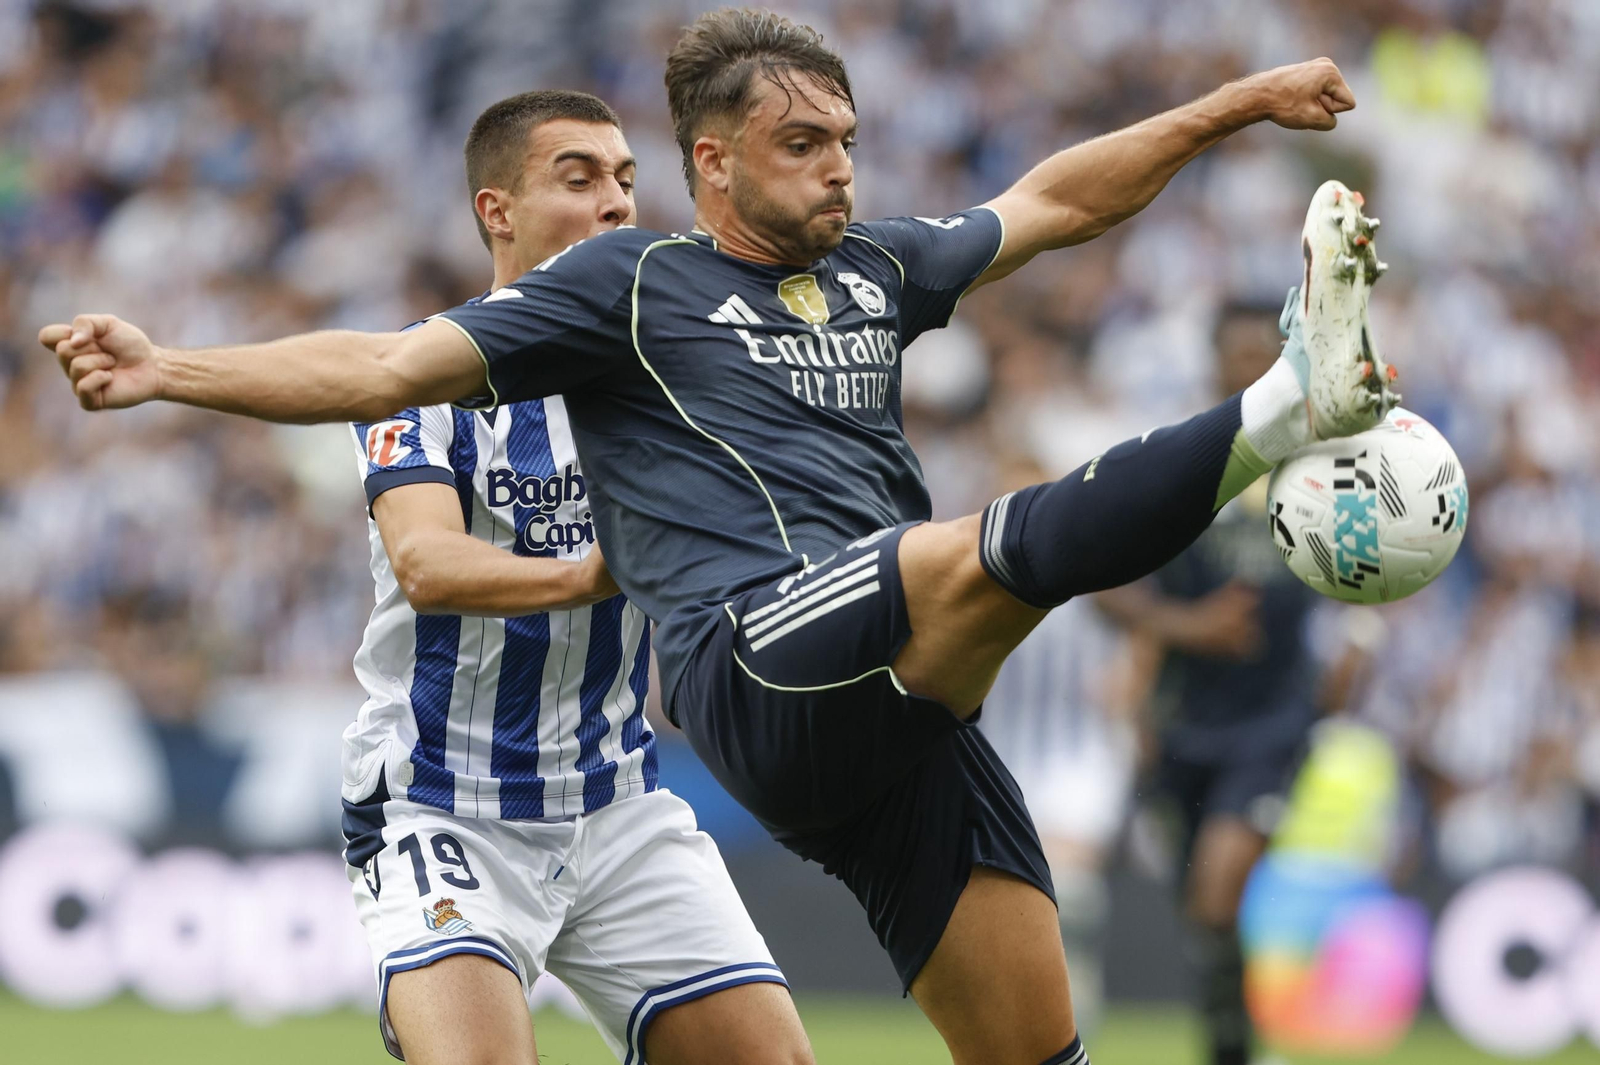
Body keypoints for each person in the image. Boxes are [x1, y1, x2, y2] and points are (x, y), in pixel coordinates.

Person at [43, 11, 1396, 1064]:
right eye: (806, 146)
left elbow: (1052, 204)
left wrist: (1236, 106)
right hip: (710, 679)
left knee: (1038, 1044)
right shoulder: (619, 295)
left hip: (709, 775)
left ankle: (1274, 410)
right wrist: (172, 368)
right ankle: (1280, 408)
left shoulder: (877, 267)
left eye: (847, 141)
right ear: (719, 162)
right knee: (975, 554)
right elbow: (386, 393)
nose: (841, 169)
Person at [342, 90, 810, 1065]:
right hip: (444, 802)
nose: (616, 204)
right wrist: (595, 573)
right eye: (580, 177)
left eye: (628, 182)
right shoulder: (418, 379)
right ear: (496, 212)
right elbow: (427, 564)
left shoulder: (671, 385)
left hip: (618, 803)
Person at [1097, 301, 1325, 1065]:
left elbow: (1375, 569)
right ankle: (1236, 1044)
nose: (1250, 369)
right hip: (1183, 722)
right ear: (1215, 366)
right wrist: (1191, 630)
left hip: (1273, 721)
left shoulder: (1319, 469)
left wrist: (1363, 635)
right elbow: (1103, 586)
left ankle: (1235, 1053)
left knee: (1220, 887)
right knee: (1202, 911)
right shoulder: (1185, 469)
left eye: (1266, 354)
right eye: (1238, 355)